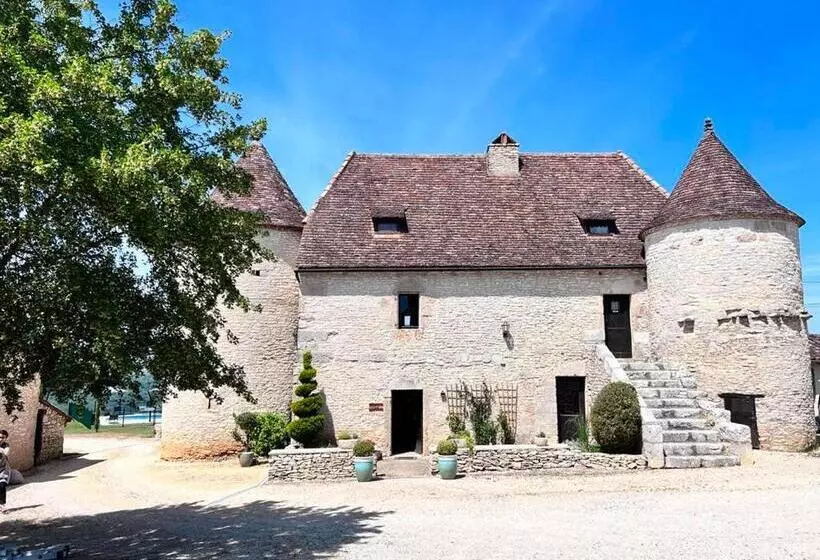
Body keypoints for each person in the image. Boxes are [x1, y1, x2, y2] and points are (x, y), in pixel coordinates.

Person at [0, 429, 9, 514]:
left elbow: (6, 453)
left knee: (2, 486)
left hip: (3, 470)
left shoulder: (6, 446)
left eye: (3, 437)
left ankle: (2, 506)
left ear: (5, 438)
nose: (1, 439)